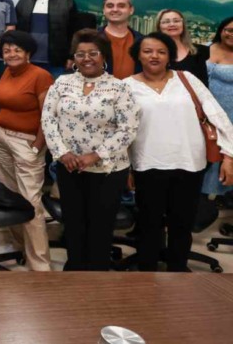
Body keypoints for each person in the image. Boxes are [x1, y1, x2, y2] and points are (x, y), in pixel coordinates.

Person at [125, 32, 233, 272]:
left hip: (189, 163)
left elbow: (217, 116)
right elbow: (121, 132)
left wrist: (229, 156)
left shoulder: (187, 79)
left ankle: (178, 272)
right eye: (147, 51)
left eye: (161, 52)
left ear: (169, 56)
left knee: (182, 224)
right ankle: (147, 274)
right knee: (149, 224)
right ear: (138, 55)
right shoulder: (126, 86)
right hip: (147, 164)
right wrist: (126, 168)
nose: (154, 56)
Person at [41, 29, 140, 271]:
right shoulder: (62, 83)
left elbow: (128, 129)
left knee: (100, 226)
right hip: (69, 167)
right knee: (73, 223)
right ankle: (75, 268)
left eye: (93, 53)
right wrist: (62, 153)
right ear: (74, 58)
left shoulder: (119, 88)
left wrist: (95, 155)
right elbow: (48, 119)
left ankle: (97, 273)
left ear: (103, 56)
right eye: (80, 54)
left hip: (107, 170)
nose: (87, 58)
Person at [0, 30, 54, 271]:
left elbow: (48, 116)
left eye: (17, 50)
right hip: (1, 137)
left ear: (28, 53)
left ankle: (40, 264)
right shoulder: (7, 71)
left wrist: (38, 145)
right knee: (10, 196)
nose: (11, 54)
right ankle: (19, 248)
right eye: (7, 50)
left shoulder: (41, 76)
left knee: (30, 202)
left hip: (26, 143)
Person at [15, 0, 78, 79]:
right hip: (28, 60)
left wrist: (71, 56)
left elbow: (75, 32)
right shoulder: (24, 1)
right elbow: (17, 32)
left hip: (57, 61)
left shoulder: (66, 1)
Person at [204, 17, 233, 199]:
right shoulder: (204, 48)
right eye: (229, 30)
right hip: (205, 112)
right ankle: (205, 199)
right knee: (208, 153)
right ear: (221, 30)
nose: (231, 34)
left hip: (230, 112)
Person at [157, 9, 208, 84]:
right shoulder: (152, 53)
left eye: (176, 21)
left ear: (183, 25)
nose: (172, 24)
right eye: (166, 22)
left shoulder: (201, 51)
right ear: (159, 26)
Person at [99, 0, 143, 79]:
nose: (115, 9)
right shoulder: (90, 39)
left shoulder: (142, 41)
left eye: (121, 6)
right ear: (103, 10)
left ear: (131, 10)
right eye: (110, 6)